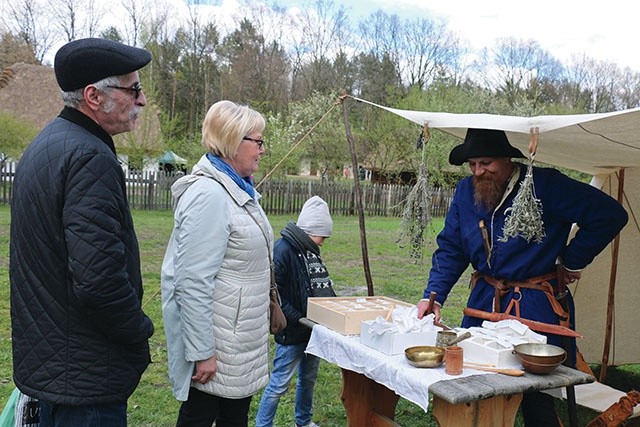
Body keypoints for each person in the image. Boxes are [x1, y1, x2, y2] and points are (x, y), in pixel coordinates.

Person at [416, 128, 628, 426]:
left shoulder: (546, 185)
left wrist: (569, 259)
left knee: (535, 393)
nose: (479, 171)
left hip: (533, 305)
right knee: (475, 380)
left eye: (486, 162)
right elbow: (451, 246)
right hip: (484, 304)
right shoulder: (466, 191)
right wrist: (432, 295)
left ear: (507, 159)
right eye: (473, 164)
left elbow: (609, 215)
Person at [9, 38, 155, 426]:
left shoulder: (46, 146)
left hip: (56, 368)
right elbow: (98, 280)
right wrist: (139, 332)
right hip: (86, 381)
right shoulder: (89, 157)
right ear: (93, 96)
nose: (141, 100)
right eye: (133, 88)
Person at [161, 100, 272, 427]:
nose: (262, 150)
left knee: (233, 418)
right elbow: (191, 281)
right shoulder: (209, 195)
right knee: (199, 417)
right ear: (233, 141)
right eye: (258, 141)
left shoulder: (239, 190)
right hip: (218, 347)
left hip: (237, 342)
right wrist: (202, 351)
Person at [255, 196, 336, 427]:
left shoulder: (309, 250)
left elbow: (320, 287)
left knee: (308, 379)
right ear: (310, 230)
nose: (323, 242)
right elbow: (274, 293)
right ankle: (263, 425)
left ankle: (304, 421)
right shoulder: (283, 250)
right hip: (293, 331)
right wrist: (299, 318)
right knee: (279, 384)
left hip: (313, 330)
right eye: (322, 236)